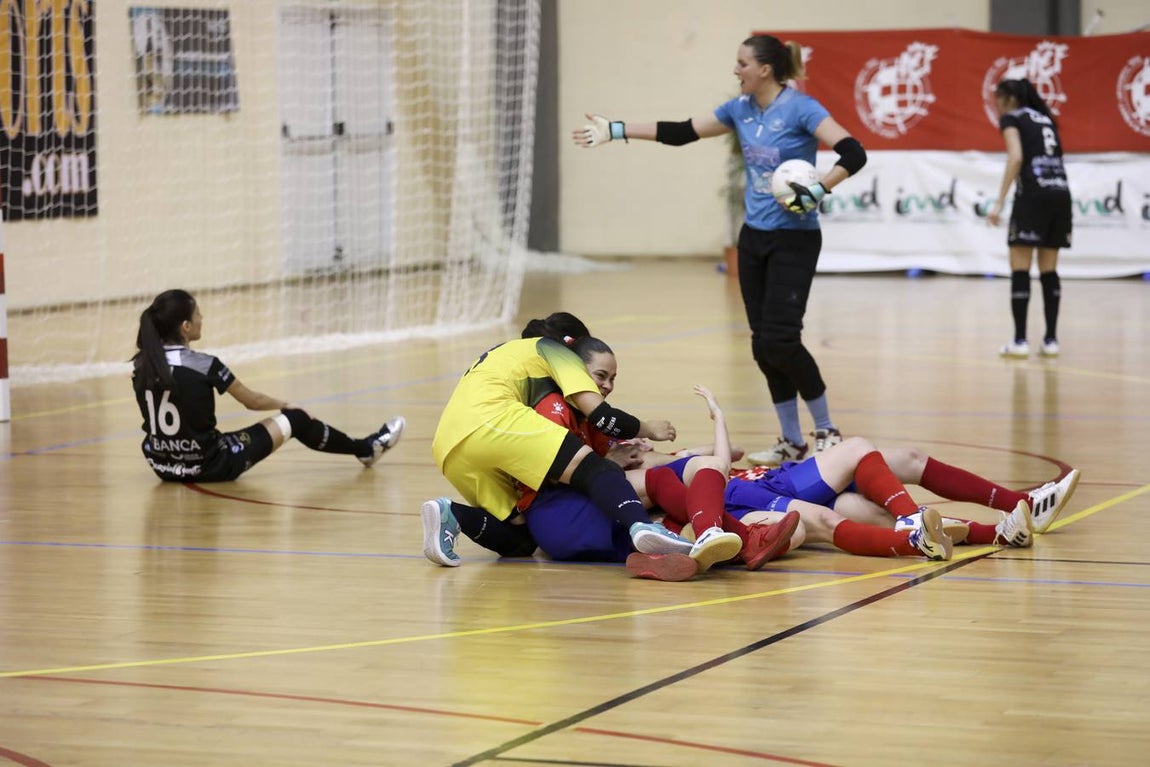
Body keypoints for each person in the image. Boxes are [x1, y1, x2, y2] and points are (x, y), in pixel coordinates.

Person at [573, 33, 868, 466]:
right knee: (763, 345)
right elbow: (680, 132)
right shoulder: (739, 109)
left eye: (742, 63)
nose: (736, 70)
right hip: (754, 238)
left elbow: (853, 152)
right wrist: (615, 129)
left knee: (783, 340)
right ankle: (791, 440)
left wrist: (820, 188)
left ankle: (826, 429)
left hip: (795, 239)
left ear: (765, 69)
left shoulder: (801, 108)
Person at [516, 338, 799, 580]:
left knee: (678, 496)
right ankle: (740, 538)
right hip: (558, 513)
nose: (608, 386)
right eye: (601, 376)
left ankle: (655, 557)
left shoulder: (587, 415)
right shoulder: (552, 408)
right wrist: (644, 435)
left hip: (583, 520)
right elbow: (568, 473)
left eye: (613, 378)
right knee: (662, 482)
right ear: (573, 372)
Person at [423, 314, 692, 568]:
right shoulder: (555, 351)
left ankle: (453, 513)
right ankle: (642, 527)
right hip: (492, 420)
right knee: (595, 468)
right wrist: (648, 428)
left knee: (521, 538)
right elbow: (603, 417)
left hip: (448, 446)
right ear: (572, 345)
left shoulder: (508, 353)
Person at [132, 289, 404, 482]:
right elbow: (252, 401)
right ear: (186, 327)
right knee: (296, 419)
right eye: (198, 314)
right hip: (210, 465)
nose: (202, 319)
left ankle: (365, 449)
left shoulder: (141, 364)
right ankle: (366, 449)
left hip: (163, 466)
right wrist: (286, 405)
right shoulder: (205, 364)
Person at [722, 437, 1081, 559]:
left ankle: (1026, 503)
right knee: (879, 518)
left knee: (906, 458)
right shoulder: (688, 480)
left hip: (775, 479)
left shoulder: (697, 461)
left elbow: (731, 452)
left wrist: (716, 422)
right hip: (753, 498)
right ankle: (999, 533)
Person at [986, 78, 1072, 359]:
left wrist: (999, 201)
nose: (997, 107)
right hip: (1060, 194)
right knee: (1049, 269)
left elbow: (1016, 157)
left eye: (998, 101)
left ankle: (1020, 341)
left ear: (1009, 99)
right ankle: (1051, 340)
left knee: (1020, 267)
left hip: (1033, 196)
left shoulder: (1012, 118)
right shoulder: (1046, 119)